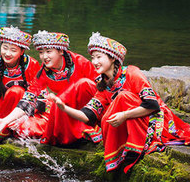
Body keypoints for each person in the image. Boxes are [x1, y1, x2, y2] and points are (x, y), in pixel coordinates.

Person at [54, 32, 190, 173]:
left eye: (99, 57)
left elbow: (152, 105)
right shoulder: (102, 85)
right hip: (129, 119)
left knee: (123, 97)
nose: (94, 62)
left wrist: (124, 115)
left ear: (112, 58)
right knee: (107, 117)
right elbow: (89, 115)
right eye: (93, 57)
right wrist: (64, 108)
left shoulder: (132, 73)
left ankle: (135, 147)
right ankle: (124, 148)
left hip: (154, 119)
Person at [0, 30, 101, 145]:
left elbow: (101, 87)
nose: (44, 57)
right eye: (41, 53)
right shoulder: (43, 73)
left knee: (83, 84)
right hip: (61, 108)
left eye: (48, 51)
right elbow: (28, 99)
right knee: (21, 126)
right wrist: (5, 120)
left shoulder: (80, 62)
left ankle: (87, 126)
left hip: (87, 110)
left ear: (61, 51)